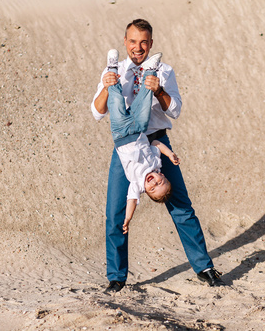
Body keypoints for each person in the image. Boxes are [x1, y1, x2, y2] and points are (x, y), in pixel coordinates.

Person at [91, 19, 225, 292]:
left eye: (143, 42)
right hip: (126, 149)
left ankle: (204, 267)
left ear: (151, 43)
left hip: (157, 144)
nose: (137, 47)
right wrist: (106, 86)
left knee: (182, 208)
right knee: (115, 213)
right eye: (132, 41)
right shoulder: (115, 70)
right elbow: (96, 112)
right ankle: (116, 277)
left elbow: (174, 110)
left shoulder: (164, 70)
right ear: (125, 41)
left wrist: (159, 90)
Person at [105, 49, 180, 235]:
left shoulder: (137, 183)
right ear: (162, 175)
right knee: (144, 101)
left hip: (121, 133)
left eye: (152, 188)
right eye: (159, 182)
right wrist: (169, 154)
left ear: (145, 191)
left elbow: (131, 201)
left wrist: (128, 219)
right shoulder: (155, 163)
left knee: (115, 99)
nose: (152, 183)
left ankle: (111, 66)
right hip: (139, 129)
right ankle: (151, 70)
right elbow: (155, 145)